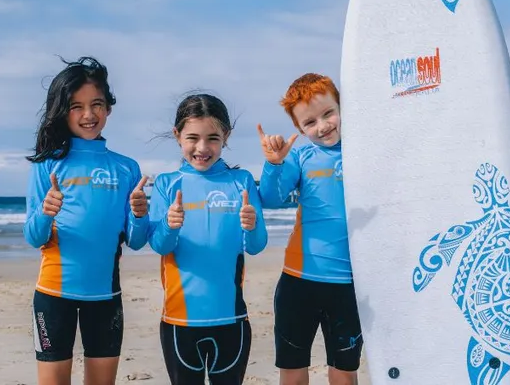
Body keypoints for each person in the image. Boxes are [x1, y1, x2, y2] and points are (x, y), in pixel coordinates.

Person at [24, 56, 149, 385]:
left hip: (105, 297)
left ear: (108, 107)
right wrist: (45, 212)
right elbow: (34, 236)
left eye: (97, 104)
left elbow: (135, 240)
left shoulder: (126, 168)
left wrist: (139, 214)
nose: (88, 114)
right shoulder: (47, 165)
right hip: (53, 295)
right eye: (76, 106)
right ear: (62, 110)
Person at [147, 93, 268, 385]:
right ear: (177, 136)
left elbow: (256, 246)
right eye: (193, 138)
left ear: (226, 136)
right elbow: (160, 245)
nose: (202, 148)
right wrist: (169, 224)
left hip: (232, 321)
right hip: (179, 322)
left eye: (213, 138)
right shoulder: (166, 184)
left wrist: (251, 226)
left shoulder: (241, 182)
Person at [257, 73, 362, 385]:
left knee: (344, 371)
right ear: (299, 129)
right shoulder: (300, 156)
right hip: (298, 281)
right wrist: (274, 164)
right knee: (292, 369)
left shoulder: (363, 152)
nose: (323, 126)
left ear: (342, 106)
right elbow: (272, 198)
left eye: (329, 113)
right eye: (310, 123)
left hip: (349, 284)